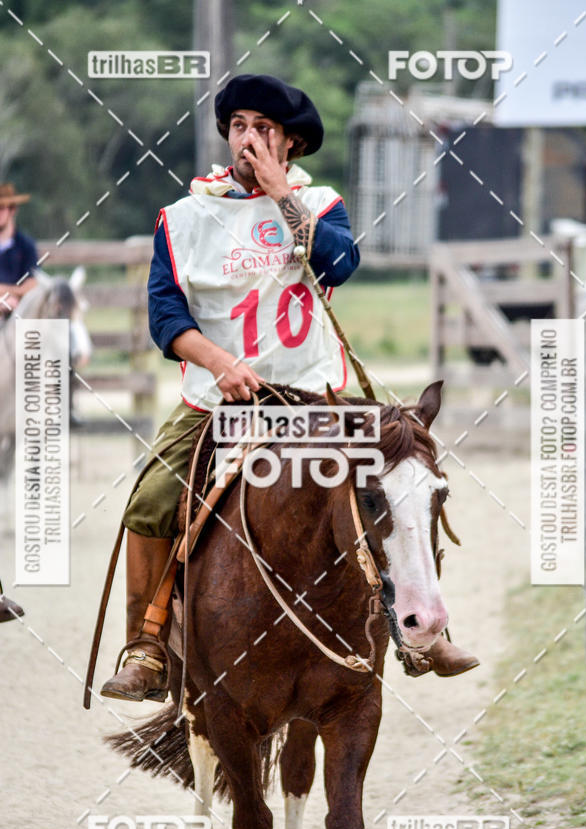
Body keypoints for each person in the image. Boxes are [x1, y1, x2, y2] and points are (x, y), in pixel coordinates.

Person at [100, 74, 477, 703]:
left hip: (314, 398)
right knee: (151, 499)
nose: (248, 138)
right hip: (219, 401)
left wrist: (281, 194)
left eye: (264, 129)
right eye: (239, 126)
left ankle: (426, 631)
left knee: (404, 479)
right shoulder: (182, 218)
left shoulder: (320, 204)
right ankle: (147, 645)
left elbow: (340, 264)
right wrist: (219, 362)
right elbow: (165, 315)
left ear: (290, 143)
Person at [0, 184, 38, 317]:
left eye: (1, 208)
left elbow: (32, 284)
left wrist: (5, 292)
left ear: (12, 210)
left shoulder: (26, 246)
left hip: (19, 312)